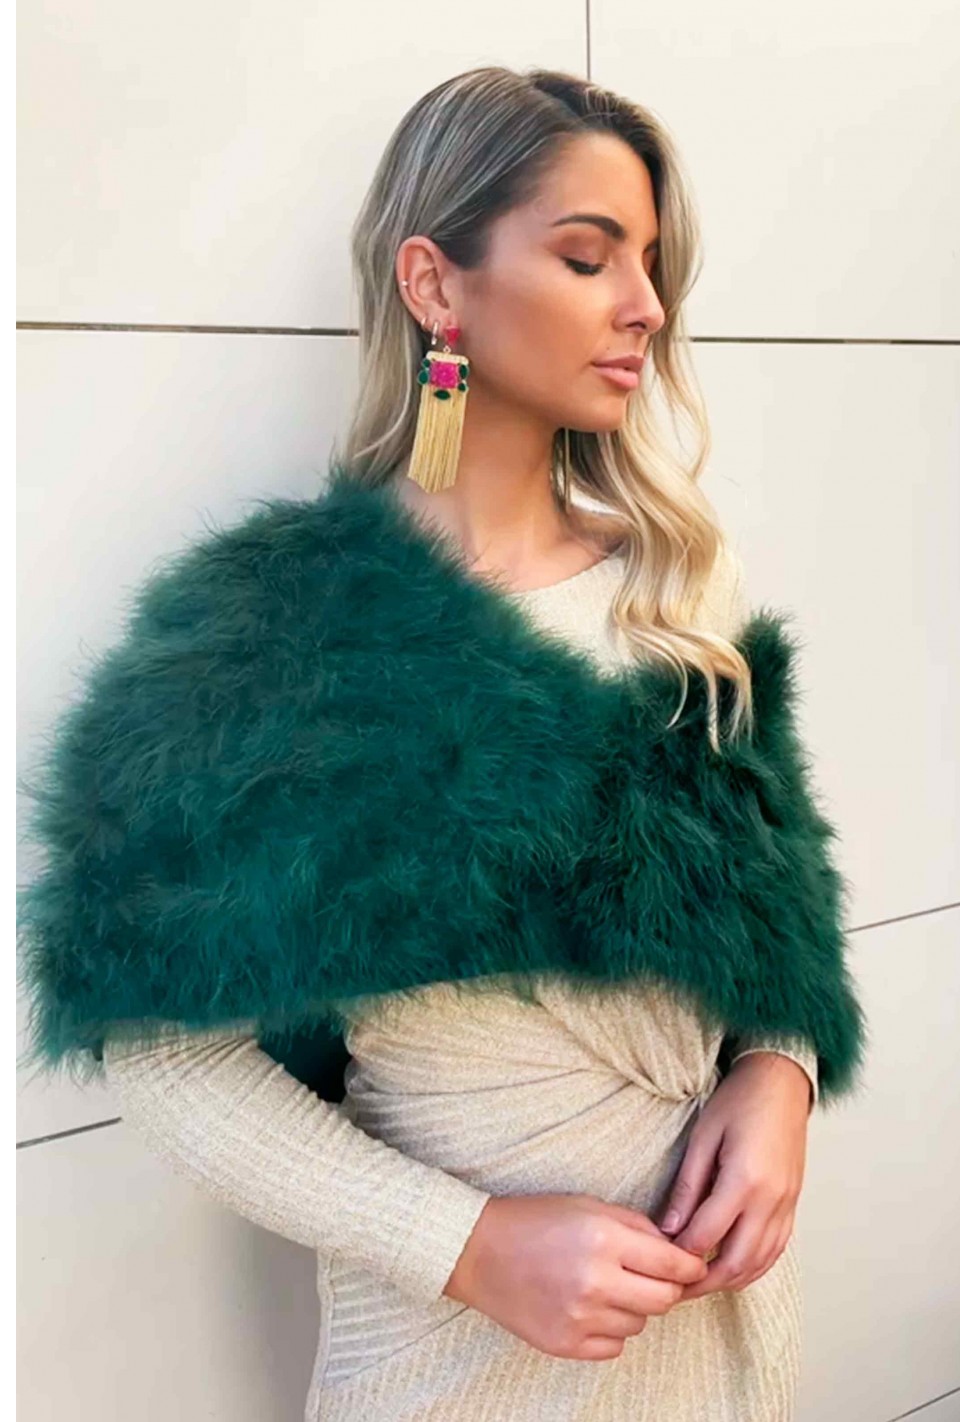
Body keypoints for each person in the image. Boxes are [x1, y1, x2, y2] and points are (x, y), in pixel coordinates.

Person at [29, 65, 851, 1421]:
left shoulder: (677, 593)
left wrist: (779, 1071)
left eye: (650, 262)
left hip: (716, 1332)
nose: (646, 305)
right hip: (454, 1363)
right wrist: (467, 1247)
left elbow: (782, 913)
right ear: (434, 284)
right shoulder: (287, 629)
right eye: (588, 256)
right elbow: (163, 1047)